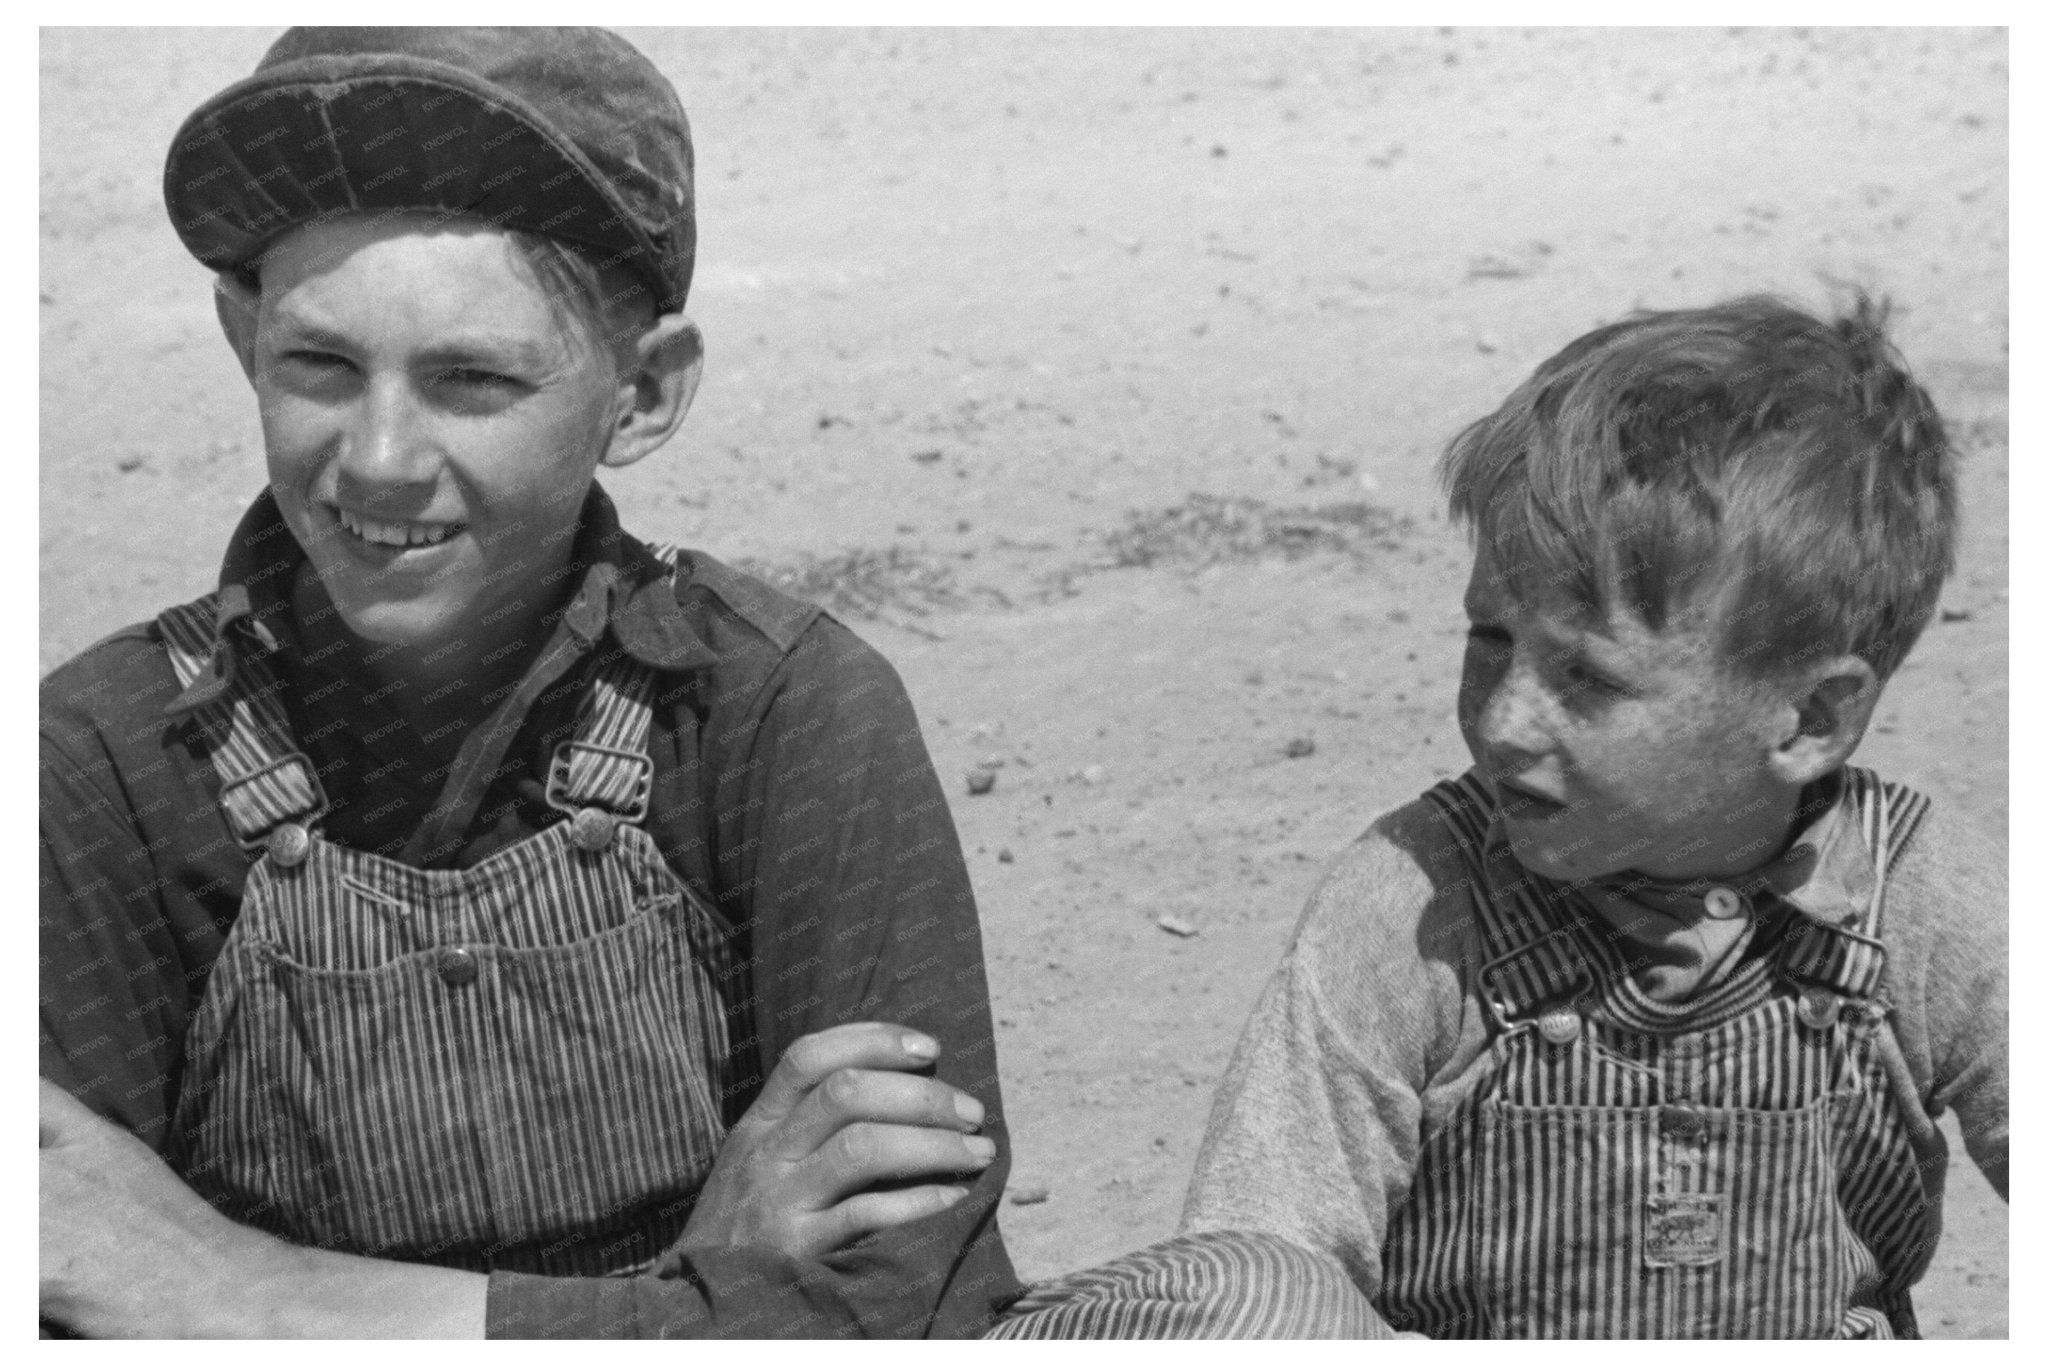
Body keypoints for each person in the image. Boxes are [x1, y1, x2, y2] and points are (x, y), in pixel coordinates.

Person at [39, 26, 1021, 1339]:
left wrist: (242, 1290)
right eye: (319, 365)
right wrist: (688, 1294)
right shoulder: (108, 761)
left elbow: (906, 1304)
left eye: (475, 380)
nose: (381, 458)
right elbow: (54, 1272)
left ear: (644, 393)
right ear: (241, 337)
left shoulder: (775, 714)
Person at [989, 293, 2007, 1338]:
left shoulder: (1920, 905)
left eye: (1585, 675)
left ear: (1808, 716)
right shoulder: (1414, 901)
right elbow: (1266, 1256)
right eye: (1488, 640)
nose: (1505, 719)